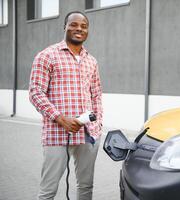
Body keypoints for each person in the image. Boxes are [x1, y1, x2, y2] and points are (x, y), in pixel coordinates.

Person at [29, 11, 102, 200]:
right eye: (74, 24)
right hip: (56, 134)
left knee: (86, 187)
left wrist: (97, 125)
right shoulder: (47, 56)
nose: (79, 29)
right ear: (65, 27)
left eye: (84, 26)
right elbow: (35, 93)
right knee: (48, 190)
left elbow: (96, 95)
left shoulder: (91, 61)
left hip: (88, 134)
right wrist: (61, 119)